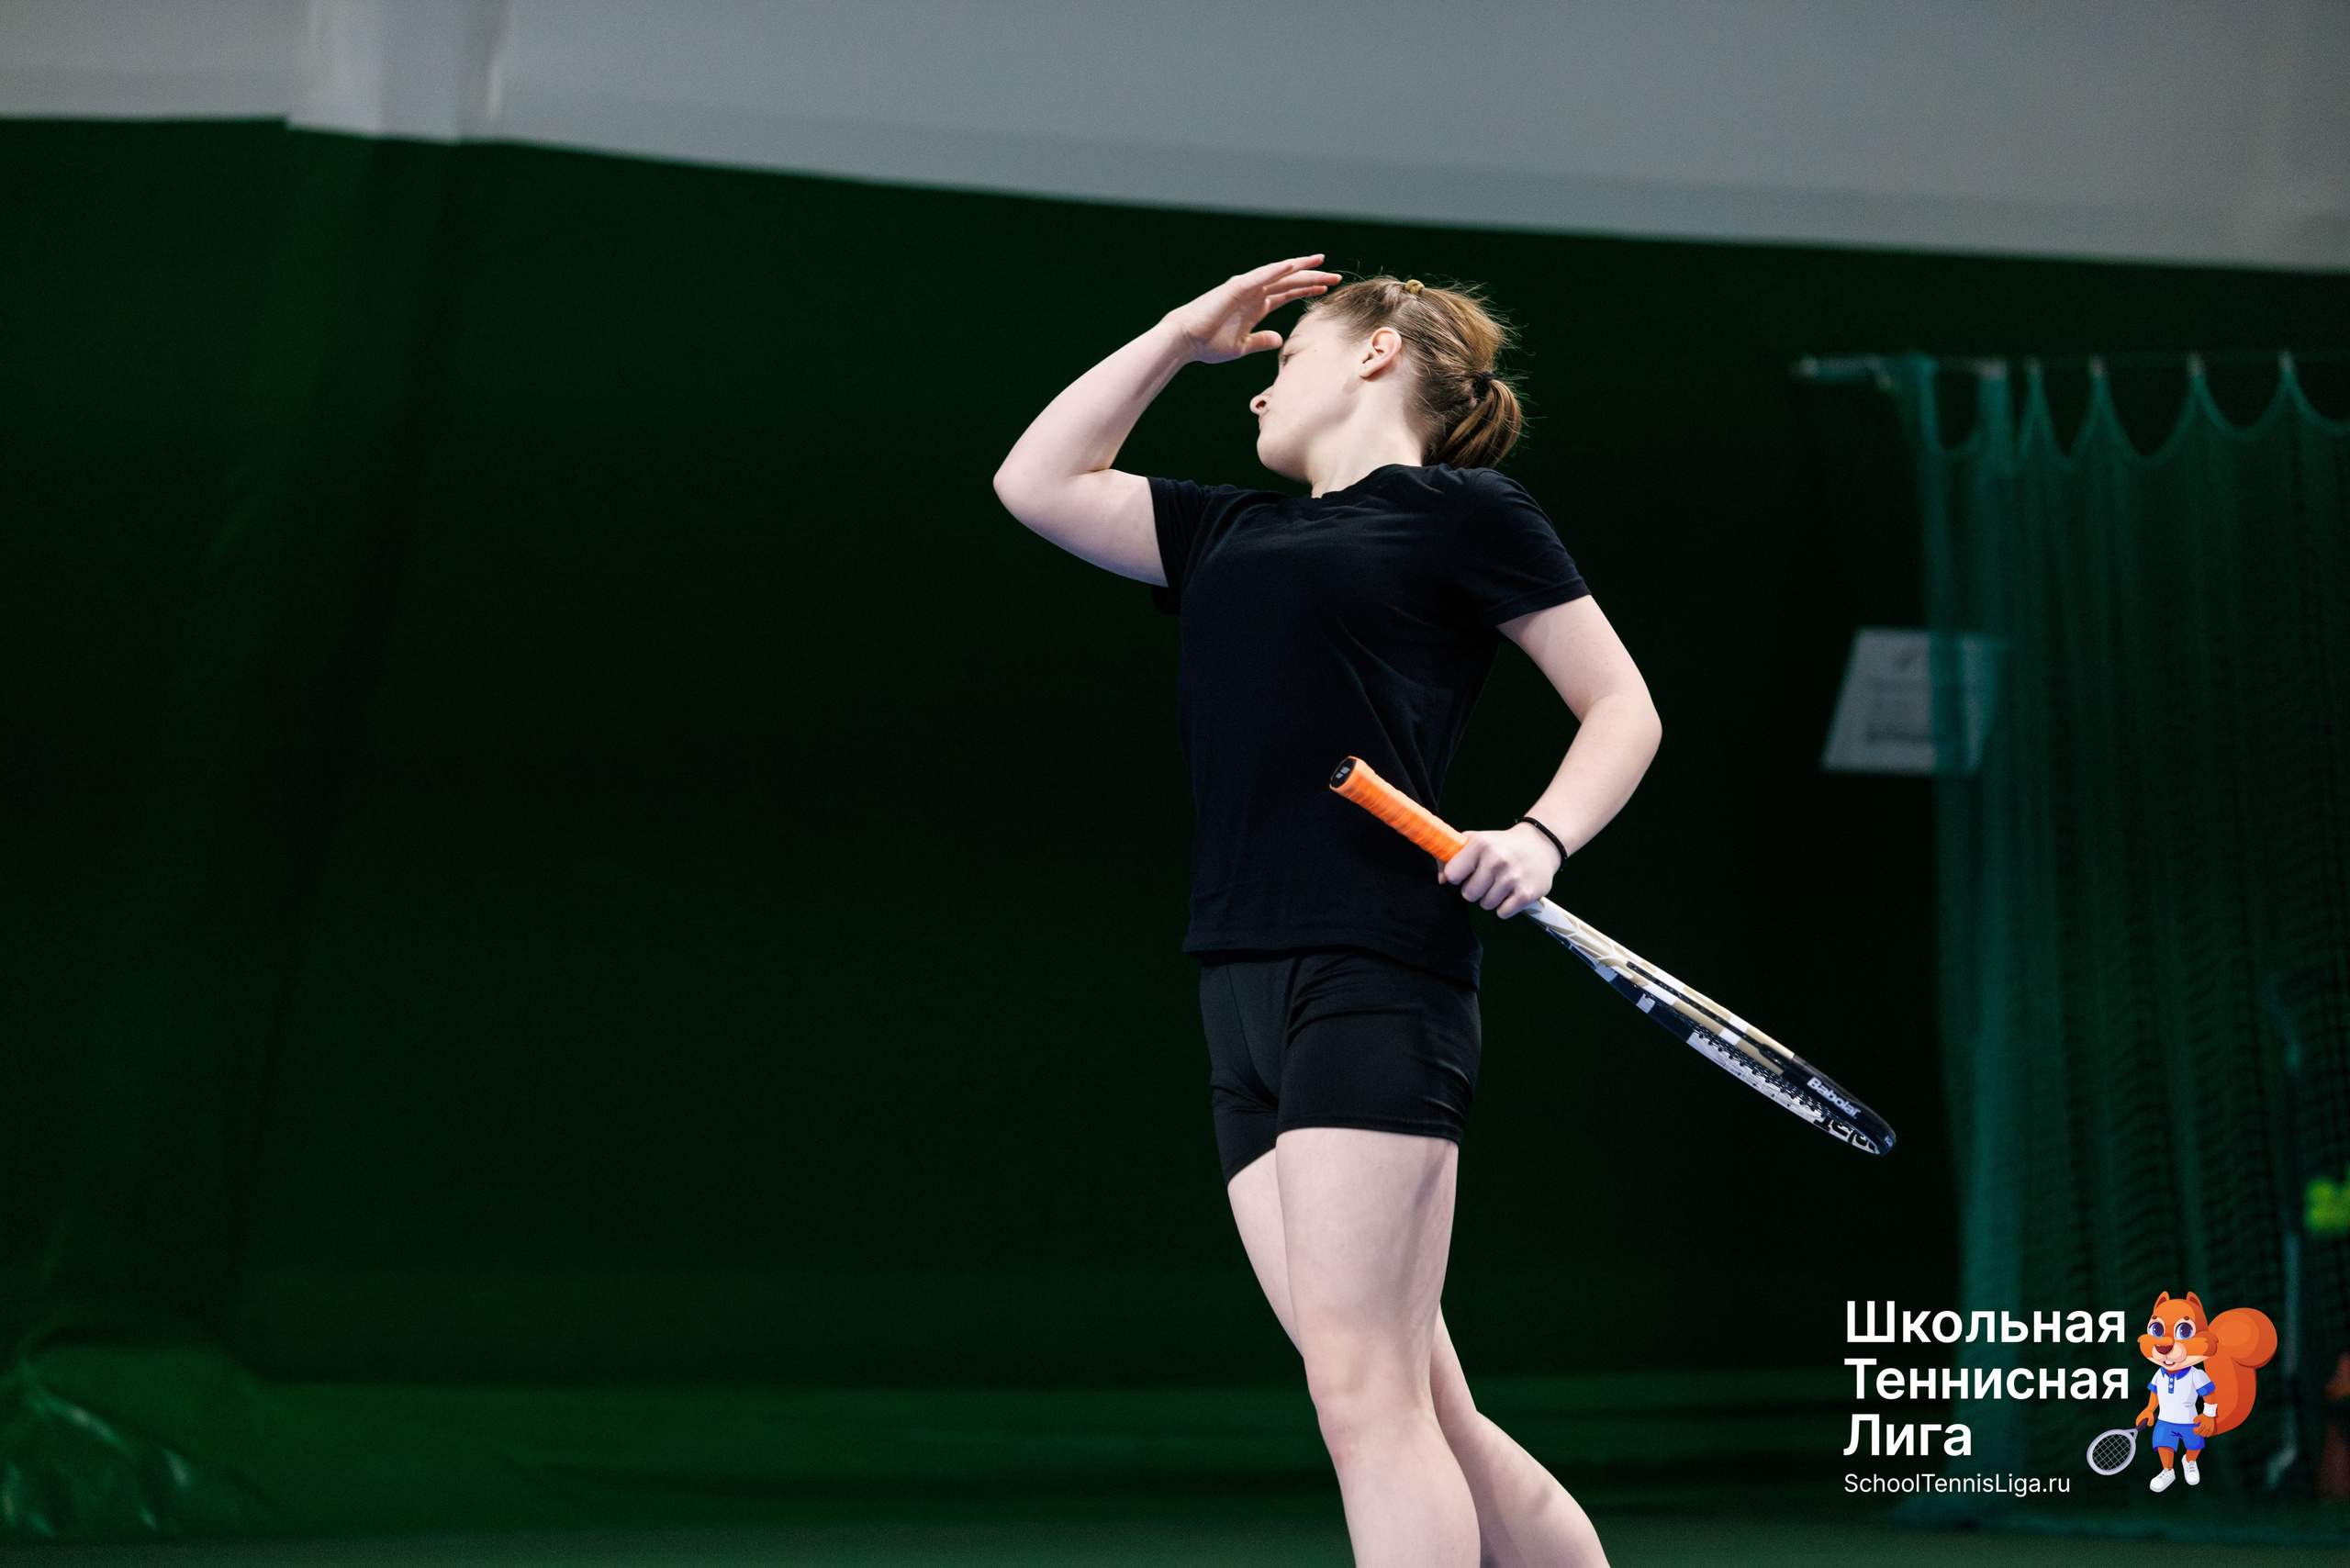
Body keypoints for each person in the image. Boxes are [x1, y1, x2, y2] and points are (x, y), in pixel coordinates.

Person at [993, 255, 1659, 1568]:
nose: (1255, 391)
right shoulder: (1226, 531)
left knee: (1365, 1403)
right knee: (1431, 1412)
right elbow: (1037, 483)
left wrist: (1539, 838)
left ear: (1372, 357)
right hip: (1237, 983)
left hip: (1375, 969)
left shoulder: (1467, 512)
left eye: (1283, 357)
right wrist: (1185, 334)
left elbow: (1623, 706)